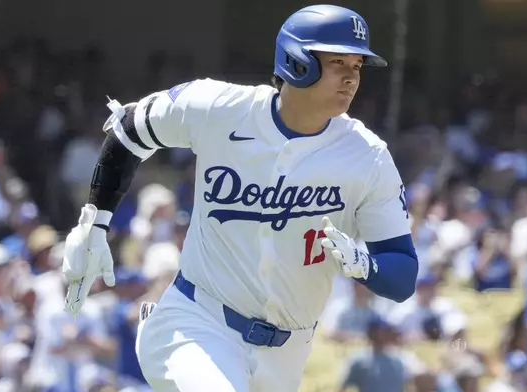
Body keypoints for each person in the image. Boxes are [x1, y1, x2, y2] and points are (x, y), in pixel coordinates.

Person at [61, 4, 419, 392]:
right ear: (297, 62)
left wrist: (366, 266)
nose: (351, 77)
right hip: (197, 322)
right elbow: (129, 130)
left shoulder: (368, 156)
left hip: (287, 354)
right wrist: (94, 222)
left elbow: (403, 273)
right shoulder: (220, 107)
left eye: (357, 67)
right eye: (338, 62)